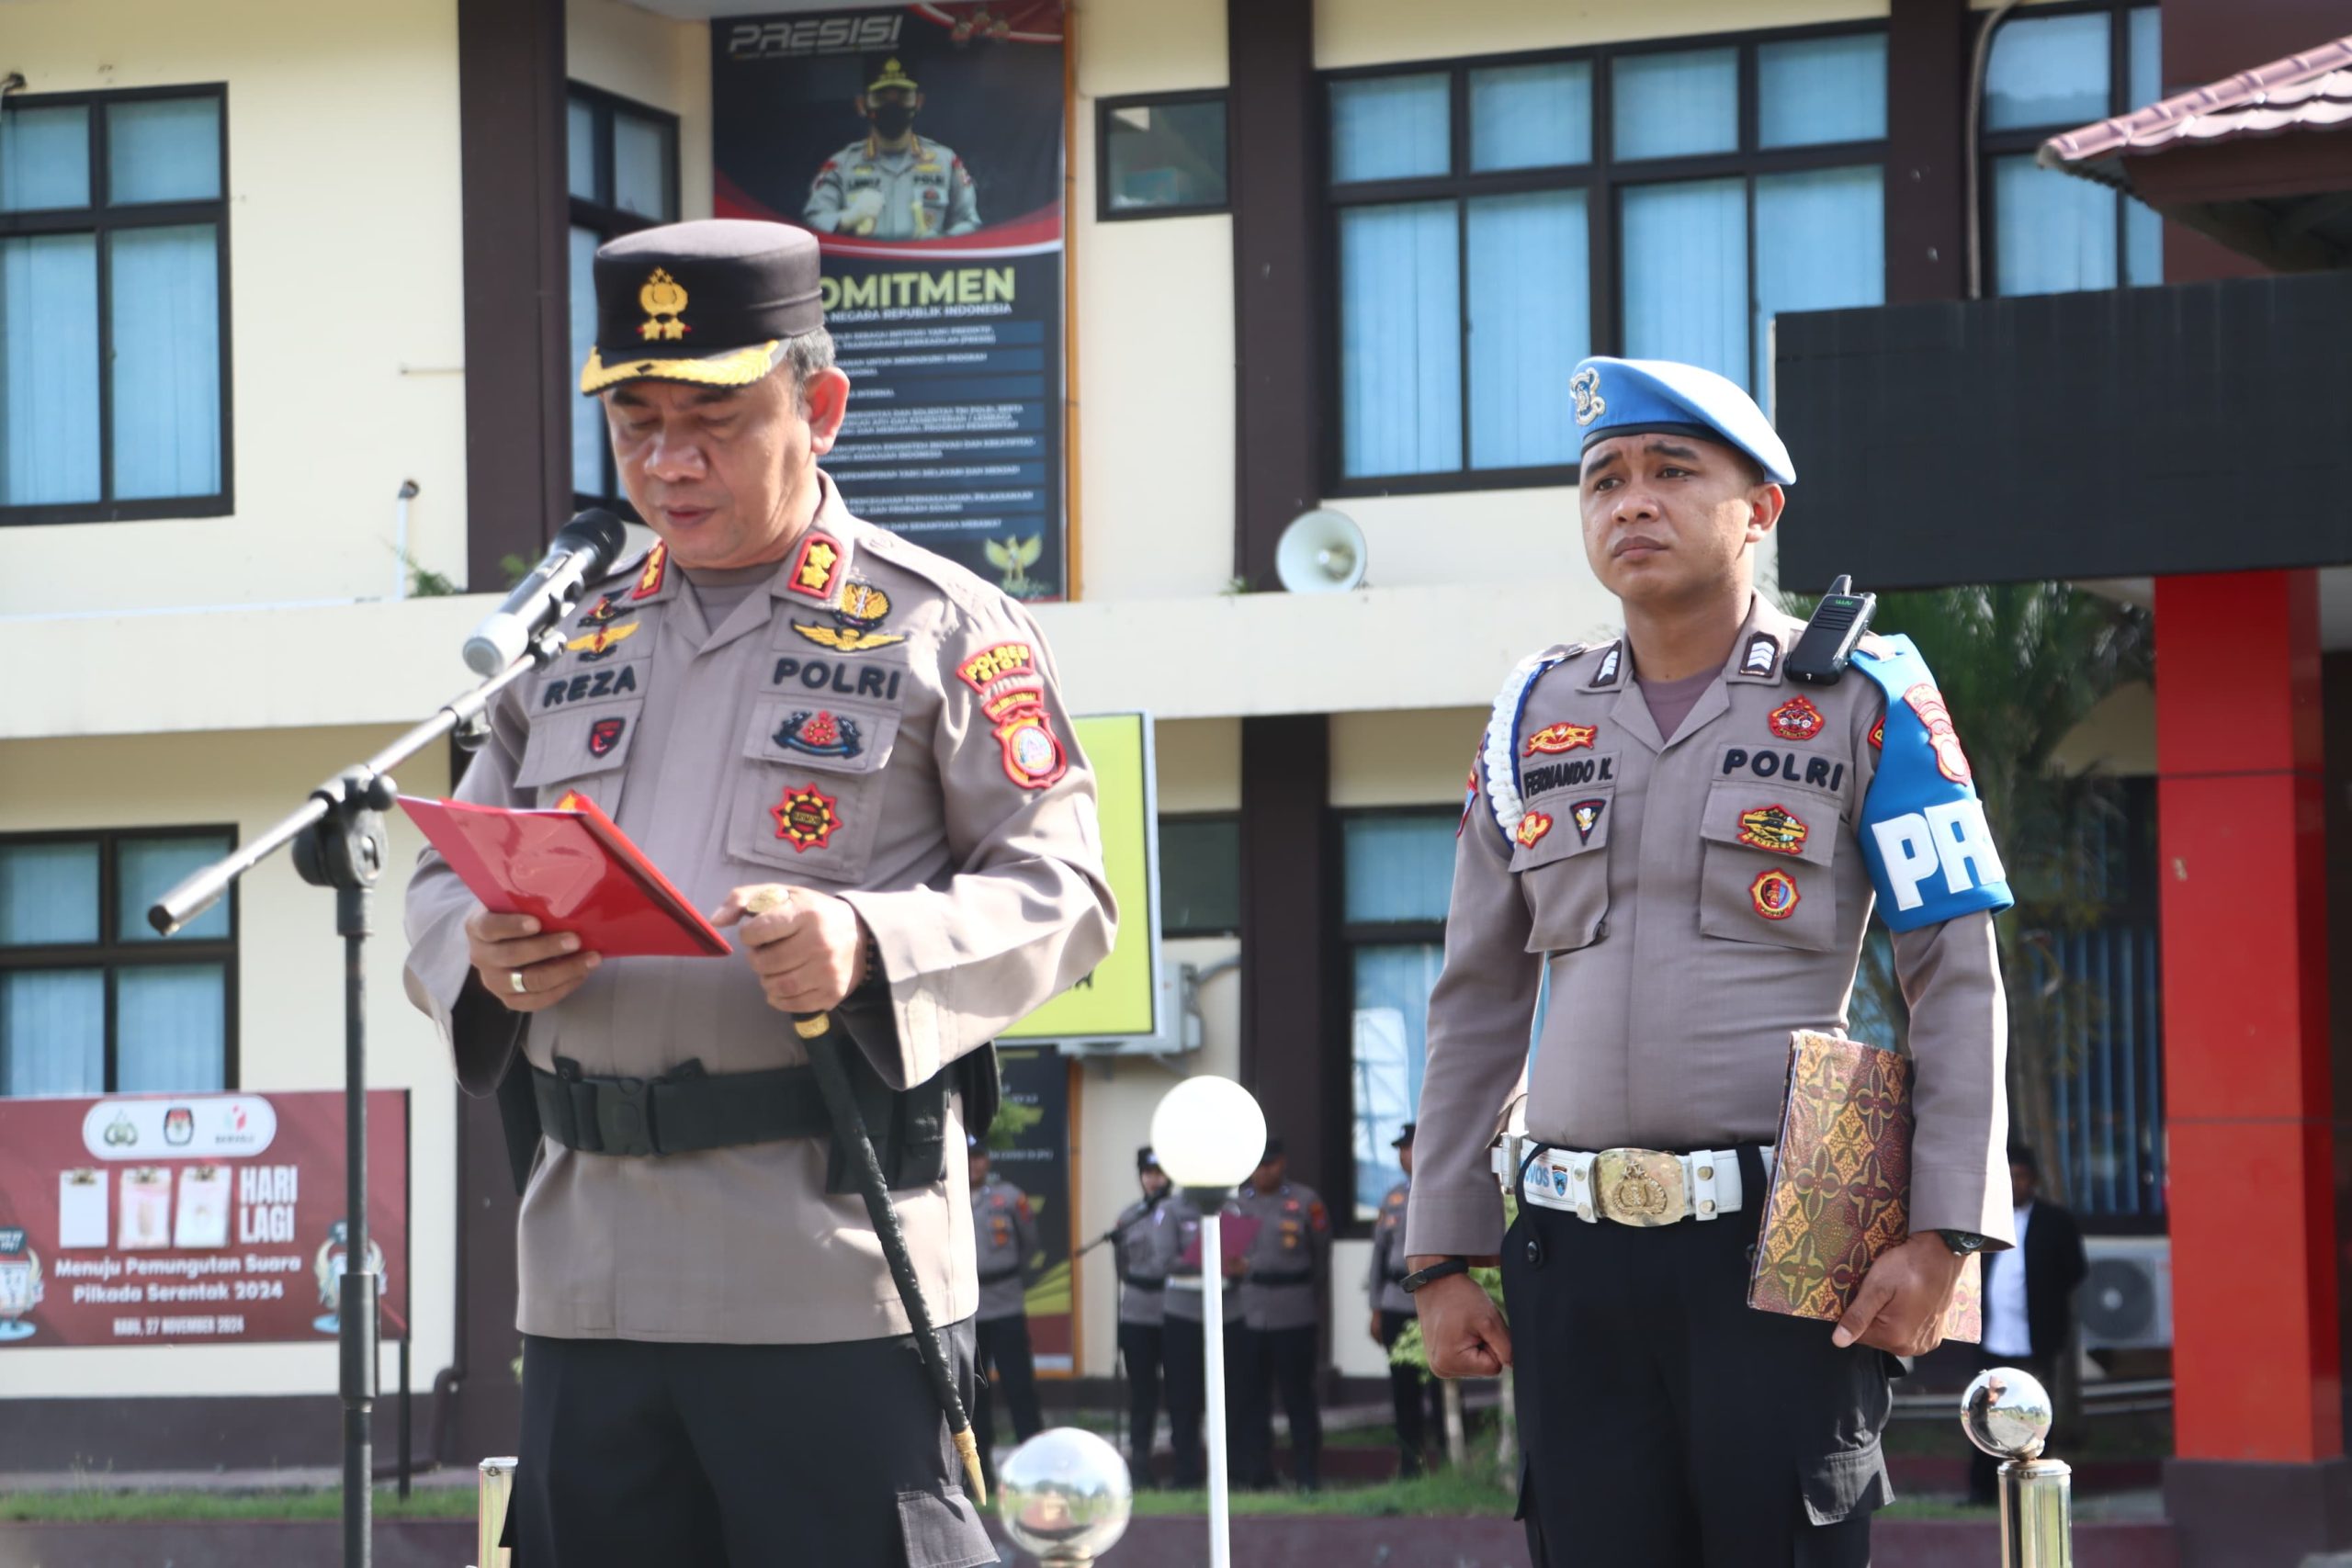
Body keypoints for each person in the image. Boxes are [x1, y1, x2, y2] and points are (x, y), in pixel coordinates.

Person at [401, 218, 1115, 1568]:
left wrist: (871, 939)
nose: (667, 462)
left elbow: (1066, 891)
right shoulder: (565, 636)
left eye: (713, 422)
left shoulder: (939, 623)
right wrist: (480, 949)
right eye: (637, 424)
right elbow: (446, 869)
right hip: (590, 1273)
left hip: (829, 1268)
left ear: (820, 407)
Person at [1403, 355, 2017, 1568]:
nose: (1631, 501)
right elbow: (1475, 997)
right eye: (1604, 480)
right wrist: (1439, 1254)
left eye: (1672, 472)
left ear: (1760, 509)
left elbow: (1955, 975)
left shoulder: (1867, 697)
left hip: (1783, 1253)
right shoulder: (1531, 715)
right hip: (1568, 1257)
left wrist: (1945, 1231)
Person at [1971, 1146, 2087, 1505]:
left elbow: (2075, 1270)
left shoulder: (2055, 1221)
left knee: (2034, 1413)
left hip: (2037, 1337)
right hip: (1993, 1336)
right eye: (2009, 1177)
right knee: (1986, 1412)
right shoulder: (1985, 1219)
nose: (2015, 1184)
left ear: (2033, 1180)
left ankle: (2034, 1486)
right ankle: (1983, 1490)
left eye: (2020, 1176)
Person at [1232, 1137, 1331, 1491]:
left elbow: (1321, 1257)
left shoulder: (1305, 1201)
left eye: (1270, 1164)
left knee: (1298, 1396)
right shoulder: (1238, 1204)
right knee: (1252, 1398)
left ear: (1282, 1162)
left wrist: (1306, 1294)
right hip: (1250, 1311)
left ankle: (1307, 1475)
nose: (1264, 1172)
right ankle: (1258, 1474)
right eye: (1258, 1166)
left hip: (1294, 1311)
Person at [803, 57, 980, 241]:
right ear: (862, 104)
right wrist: (847, 219)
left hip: (927, 259)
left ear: (918, 101)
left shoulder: (945, 160)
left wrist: (940, 241)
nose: (893, 105)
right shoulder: (841, 165)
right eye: (880, 97)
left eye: (903, 97)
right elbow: (812, 221)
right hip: (864, 259)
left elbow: (970, 222)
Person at [1366, 1122, 1443, 1478]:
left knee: (1440, 1385)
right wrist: (1376, 1308)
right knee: (1403, 1387)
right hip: (1396, 1300)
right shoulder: (1393, 1198)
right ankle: (1410, 1462)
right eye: (1400, 1149)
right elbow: (1378, 1257)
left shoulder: (1442, 1191)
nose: (1404, 1155)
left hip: (1434, 1297)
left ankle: (1447, 1456)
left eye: (1409, 1147)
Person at [1159, 1184, 1243, 1489]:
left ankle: (1233, 1472)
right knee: (1184, 1397)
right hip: (1184, 1314)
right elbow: (1166, 1260)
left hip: (1228, 1311)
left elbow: (1246, 1255)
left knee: (1231, 1396)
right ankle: (1186, 1473)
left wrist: (1237, 1265)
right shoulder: (1170, 1209)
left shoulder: (1232, 1208)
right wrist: (1209, 1259)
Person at [969, 1135, 1043, 1482]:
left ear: (987, 1160)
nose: (973, 1164)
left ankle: (1036, 1468)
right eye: (967, 1157)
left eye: (978, 1156)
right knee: (975, 1392)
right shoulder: (946, 1199)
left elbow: (1030, 1244)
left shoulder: (1010, 1197)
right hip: (970, 1308)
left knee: (1019, 1387)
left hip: (1007, 1302)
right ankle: (979, 1472)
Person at [1112, 1145, 1177, 1483]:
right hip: (1137, 1312)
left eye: (1159, 1173)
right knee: (1142, 1393)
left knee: (1181, 1391)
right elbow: (1122, 1267)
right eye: (1148, 1173)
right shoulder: (1128, 1217)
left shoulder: (1182, 1212)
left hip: (1174, 1310)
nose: (1154, 1180)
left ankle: (1184, 1464)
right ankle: (1139, 1465)